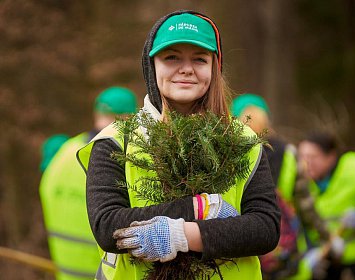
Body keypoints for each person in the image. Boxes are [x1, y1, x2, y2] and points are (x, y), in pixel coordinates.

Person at [77, 11, 281, 280]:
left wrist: (184, 236)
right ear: (152, 65)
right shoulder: (117, 140)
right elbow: (108, 227)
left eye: (199, 59)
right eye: (171, 57)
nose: (186, 68)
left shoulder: (243, 140)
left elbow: (266, 229)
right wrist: (200, 208)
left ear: (214, 68)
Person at [39, 86, 138, 280]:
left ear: (97, 113)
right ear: (130, 117)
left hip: (65, 272)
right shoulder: (123, 159)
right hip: (107, 273)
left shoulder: (63, 153)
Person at [294, 131, 355, 280]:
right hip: (330, 252)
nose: (306, 163)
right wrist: (309, 252)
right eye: (302, 157)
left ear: (331, 157)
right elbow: (302, 224)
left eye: (313, 157)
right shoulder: (301, 183)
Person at [231, 93, 300, 279]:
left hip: (238, 240)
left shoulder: (227, 152)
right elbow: (305, 203)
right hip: (279, 243)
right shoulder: (288, 153)